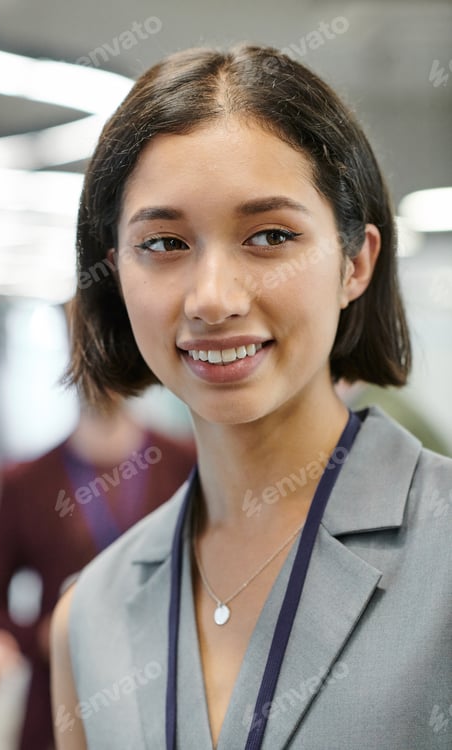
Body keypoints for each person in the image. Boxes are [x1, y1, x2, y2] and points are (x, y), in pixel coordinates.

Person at [50, 44, 452, 750]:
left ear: (355, 262)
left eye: (269, 236)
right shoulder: (90, 615)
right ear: (114, 272)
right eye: (165, 243)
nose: (212, 299)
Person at [0, 394, 195, 750]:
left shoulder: (183, 463)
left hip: (165, 687)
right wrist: (46, 636)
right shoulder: (27, 481)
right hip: (61, 698)